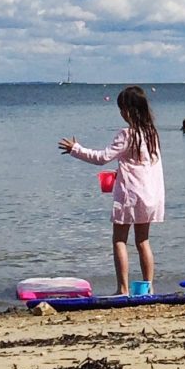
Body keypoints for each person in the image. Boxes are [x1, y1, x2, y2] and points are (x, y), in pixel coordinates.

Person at [59, 84, 164, 296]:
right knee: (143, 240)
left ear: (129, 110)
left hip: (131, 195)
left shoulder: (127, 134)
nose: (121, 113)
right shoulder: (151, 134)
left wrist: (76, 150)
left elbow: (102, 158)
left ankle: (123, 289)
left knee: (119, 239)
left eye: (122, 109)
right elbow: (143, 166)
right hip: (151, 195)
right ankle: (148, 287)